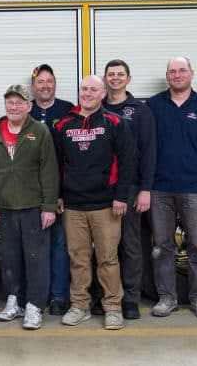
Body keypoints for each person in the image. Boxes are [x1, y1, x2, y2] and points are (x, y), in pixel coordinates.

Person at [53, 75, 136, 330]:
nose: (87, 93)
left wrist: (122, 196)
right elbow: (56, 164)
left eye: (93, 89)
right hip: (73, 206)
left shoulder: (116, 123)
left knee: (108, 259)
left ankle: (113, 307)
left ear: (103, 94)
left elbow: (127, 162)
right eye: (84, 89)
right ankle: (80, 305)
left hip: (106, 205)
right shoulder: (63, 125)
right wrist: (57, 194)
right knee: (78, 258)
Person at [145, 57, 197, 320]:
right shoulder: (154, 106)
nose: (177, 75)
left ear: (192, 73)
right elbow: (144, 145)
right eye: (172, 71)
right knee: (161, 247)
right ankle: (167, 298)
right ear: (166, 75)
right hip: (160, 189)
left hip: (195, 190)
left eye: (182, 70)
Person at [0, 84, 60, 330]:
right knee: (10, 258)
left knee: (36, 258)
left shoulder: (40, 132)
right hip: (6, 207)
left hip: (33, 207)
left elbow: (49, 171)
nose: (14, 106)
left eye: (19, 102)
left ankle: (34, 306)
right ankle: (14, 301)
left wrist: (49, 206)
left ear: (29, 106)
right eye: (10, 102)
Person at [100, 59, 156, 320]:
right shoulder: (96, 109)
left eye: (120, 74)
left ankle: (131, 298)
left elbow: (148, 152)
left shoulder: (140, 110)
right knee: (103, 247)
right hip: (102, 189)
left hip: (132, 187)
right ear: (105, 79)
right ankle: (106, 296)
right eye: (111, 74)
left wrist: (146, 189)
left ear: (128, 79)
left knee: (131, 245)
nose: (115, 78)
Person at [29, 64, 75, 316]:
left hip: (61, 193)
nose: (45, 86)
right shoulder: (27, 111)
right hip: (30, 193)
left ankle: (59, 297)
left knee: (60, 246)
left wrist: (61, 192)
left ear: (55, 84)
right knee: (35, 248)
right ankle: (38, 295)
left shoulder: (68, 110)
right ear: (33, 87)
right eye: (40, 82)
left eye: (49, 81)